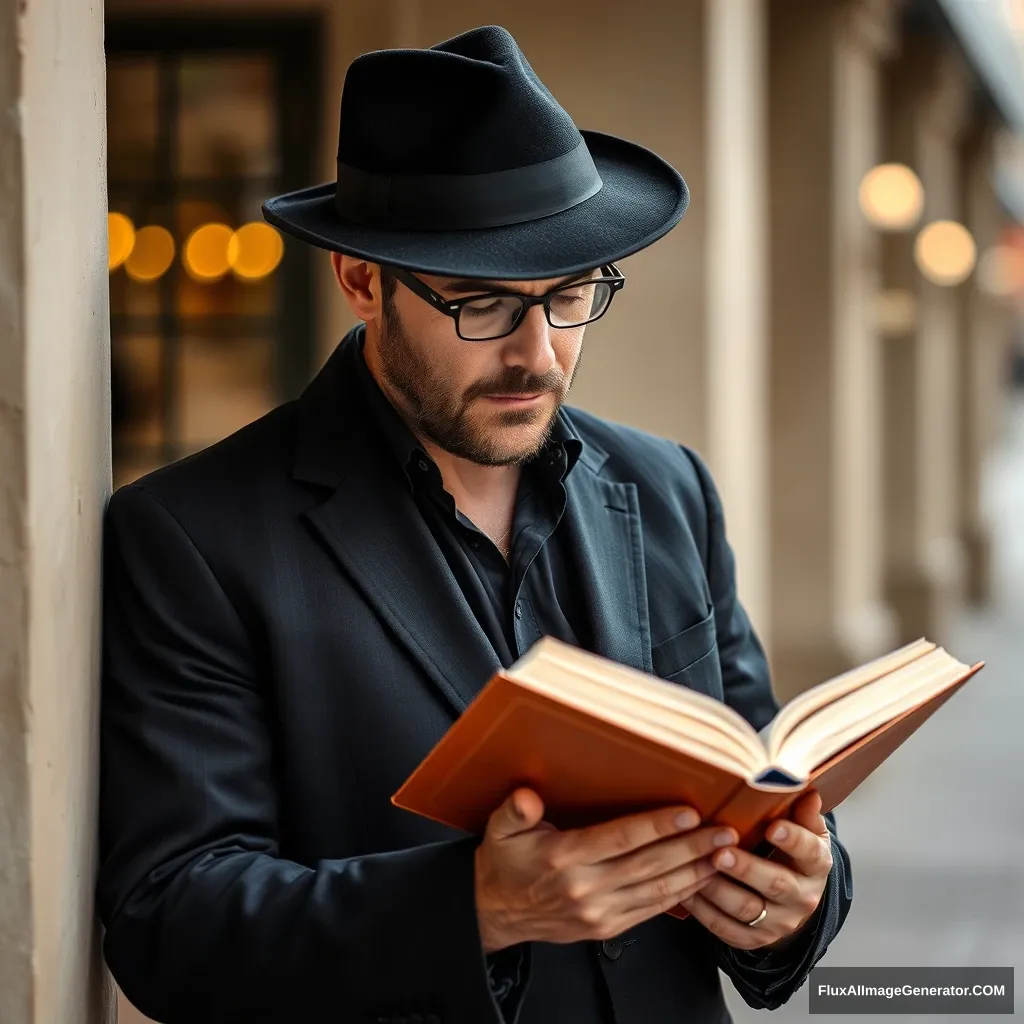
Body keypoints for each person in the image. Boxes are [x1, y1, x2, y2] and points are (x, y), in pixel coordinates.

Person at [97, 24, 852, 1024]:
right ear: (363, 282)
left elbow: (764, 776)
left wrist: (800, 892)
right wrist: (480, 907)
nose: (538, 354)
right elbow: (172, 921)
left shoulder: (669, 487)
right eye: (483, 305)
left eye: (571, 296)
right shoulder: (192, 536)